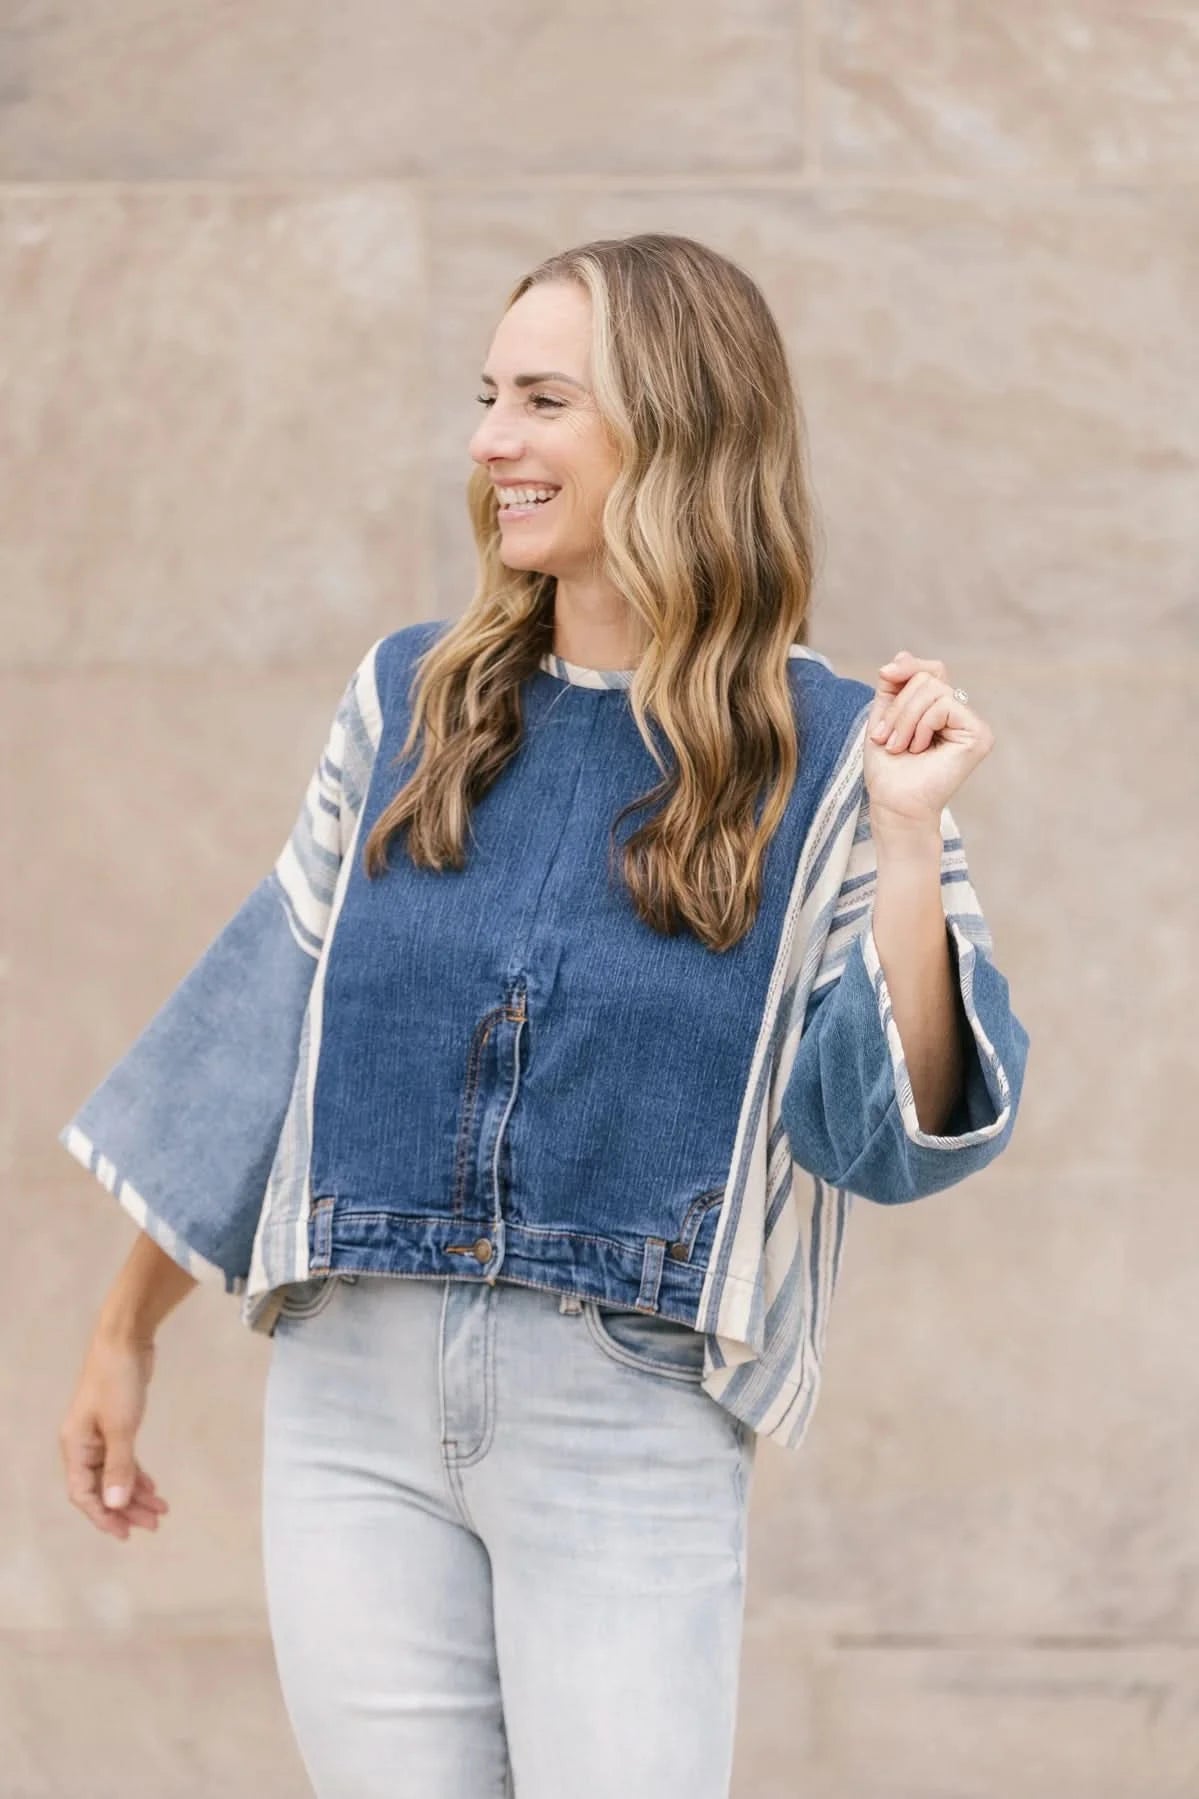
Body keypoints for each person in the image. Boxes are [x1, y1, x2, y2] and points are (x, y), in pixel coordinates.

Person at [57, 233, 1030, 1799]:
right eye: (487, 395)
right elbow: (268, 1023)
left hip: (625, 1422)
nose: (488, 441)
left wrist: (908, 837)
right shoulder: (408, 705)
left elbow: (899, 1129)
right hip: (351, 1406)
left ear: (679, 431)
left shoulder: (841, 753)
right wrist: (123, 1334)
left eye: (542, 400)